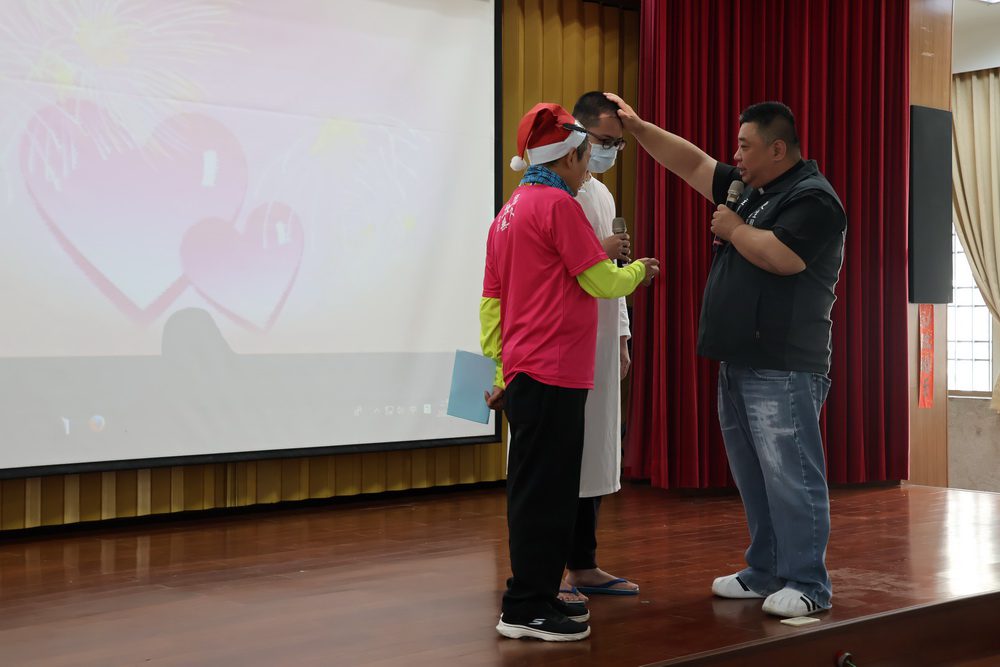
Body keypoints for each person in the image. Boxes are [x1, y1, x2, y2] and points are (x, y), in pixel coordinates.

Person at [605, 94, 846, 618]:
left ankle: (808, 583)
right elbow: (692, 162)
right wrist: (639, 128)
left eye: (745, 146)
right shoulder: (753, 190)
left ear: (777, 148)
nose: (735, 156)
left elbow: (784, 258)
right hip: (739, 359)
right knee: (755, 476)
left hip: (783, 364)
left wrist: (734, 230)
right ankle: (765, 571)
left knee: (791, 476)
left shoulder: (813, 198)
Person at [480, 102, 659, 641]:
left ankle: (532, 595)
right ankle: (526, 607)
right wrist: (639, 271)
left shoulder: (509, 210)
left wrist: (499, 369)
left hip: (526, 370)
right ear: (568, 158)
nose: (588, 169)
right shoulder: (559, 206)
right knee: (549, 492)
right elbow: (601, 279)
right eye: (585, 156)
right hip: (555, 369)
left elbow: (491, 303)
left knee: (534, 488)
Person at [556, 91, 640, 604]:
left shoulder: (602, 195)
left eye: (618, 144)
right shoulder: (552, 194)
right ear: (580, 135)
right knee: (564, 456)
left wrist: (623, 335)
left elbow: (614, 273)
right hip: (564, 342)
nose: (610, 151)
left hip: (604, 338)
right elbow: (560, 269)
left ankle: (584, 564)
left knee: (596, 451)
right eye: (605, 141)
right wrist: (602, 255)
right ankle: (553, 570)